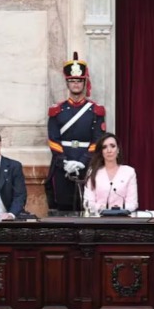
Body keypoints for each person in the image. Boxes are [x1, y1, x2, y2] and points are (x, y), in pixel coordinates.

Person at [46, 52, 106, 212]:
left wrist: (83, 161)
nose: (76, 84)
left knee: (87, 207)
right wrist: (65, 162)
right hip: (63, 166)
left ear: (85, 82)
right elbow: (53, 140)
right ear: (67, 83)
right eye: (72, 81)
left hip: (88, 165)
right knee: (63, 207)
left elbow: (98, 140)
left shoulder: (95, 110)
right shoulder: (57, 110)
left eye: (79, 81)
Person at [82, 133, 138, 214]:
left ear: (118, 150)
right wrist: (103, 209)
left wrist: (116, 210)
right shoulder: (93, 172)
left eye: (112, 146)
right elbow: (87, 203)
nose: (109, 150)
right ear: (101, 152)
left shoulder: (129, 172)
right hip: (98, 218)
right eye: (104, 147)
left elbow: (133, 204)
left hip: (122, 219)